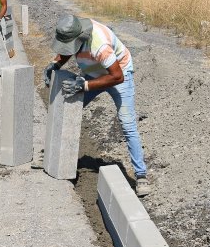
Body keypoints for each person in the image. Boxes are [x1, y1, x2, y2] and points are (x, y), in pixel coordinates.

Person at [44, 15, 151, 197]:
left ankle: (141, 175)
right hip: (93, 73)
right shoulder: (75, 31)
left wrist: (83, 85)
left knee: (127, 123)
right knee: (68, 105)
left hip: (118, 75)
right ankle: (56, 155)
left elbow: (117, 77)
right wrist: (55, 65)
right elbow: (68, 49)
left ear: (80, 38)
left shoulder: (100, 45)